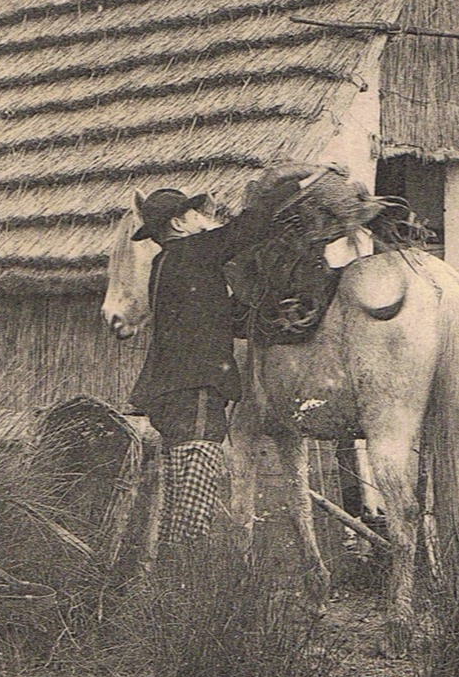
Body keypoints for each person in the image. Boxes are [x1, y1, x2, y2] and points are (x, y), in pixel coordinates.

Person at [129, 167, 321, 547]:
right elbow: (244, 232)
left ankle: (166, 585)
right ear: (180, 222)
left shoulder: (166, 264)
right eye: (197, 214)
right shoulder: (193, 252)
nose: (205, 220)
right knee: (194, 501)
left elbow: (215, 315)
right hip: (196, 389)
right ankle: (188, 585)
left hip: (170, 392)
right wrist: (289, 183)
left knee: (176, 497)